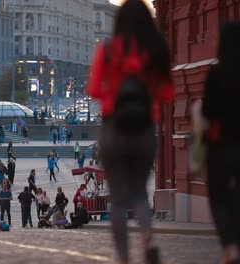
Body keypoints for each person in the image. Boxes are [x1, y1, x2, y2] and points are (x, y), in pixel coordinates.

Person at [87, 1, 175, 263]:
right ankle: (147, 232)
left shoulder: (108, 51)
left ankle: (123, 258)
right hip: (144, 129)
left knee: (118, 198)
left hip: (114, 128)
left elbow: (93, 90)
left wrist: (113, 94)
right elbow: (168, 93)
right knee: (138, 193)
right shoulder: (155, 51)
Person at [202, 22, 240, 264]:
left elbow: (207, 112)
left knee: (219, 198)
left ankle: (230, 245)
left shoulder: (216, 73)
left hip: (221, 148)